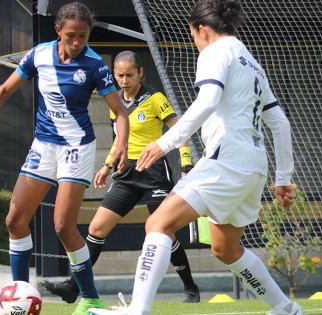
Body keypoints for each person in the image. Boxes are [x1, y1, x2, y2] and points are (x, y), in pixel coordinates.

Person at [89, 0, 305, 314]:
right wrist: (283, 178)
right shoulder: (251, 62)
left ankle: (137, 309)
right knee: (225, 248)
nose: (194, 42)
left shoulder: (214, 53)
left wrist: (164, 143)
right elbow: (280, 123)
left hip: (225, 161)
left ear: (202, 29)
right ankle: (285, 308)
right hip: (254, 169)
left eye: (192, 35)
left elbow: (208, 101)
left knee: (158, 224)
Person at [0, 2, 129, 315]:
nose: (77, 42)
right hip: (44, 145)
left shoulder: (95, 66)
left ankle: (90, 298)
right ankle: (17, 301)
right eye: (71, 36)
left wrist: (122, 144)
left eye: (83, 36)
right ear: (58, 31)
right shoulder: (38, 54)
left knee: (63, 226)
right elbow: (4, 90)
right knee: (14, 220)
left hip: (76, 147)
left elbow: (119, 112)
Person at [42, 51, 200, 304]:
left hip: (154, 171)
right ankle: (74, 286)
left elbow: (180, 131)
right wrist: (107, 166)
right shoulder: (115, 102)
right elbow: (119, 141)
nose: (124, 80)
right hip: (126, 173)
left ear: (140, 73)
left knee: (163, 232)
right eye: (119, 75)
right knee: (96, 228)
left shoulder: (155, 99)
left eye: (129, 74)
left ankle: (191, 288)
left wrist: (185, 166)